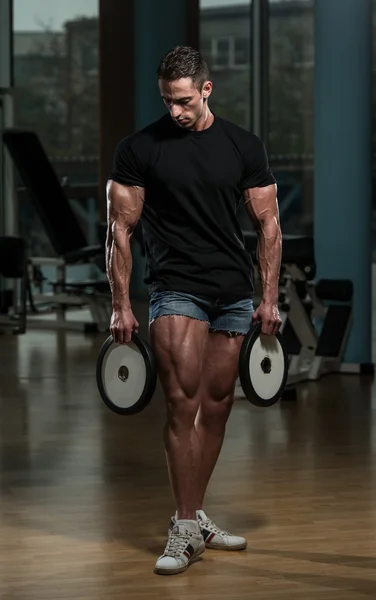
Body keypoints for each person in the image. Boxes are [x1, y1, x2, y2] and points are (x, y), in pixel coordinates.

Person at [105, 45, 282, 576]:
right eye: (167, 101)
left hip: (232, 290)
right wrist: (120, 305)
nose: (175, 111)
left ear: (206, 90)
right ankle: (183, 527)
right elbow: (120, 230)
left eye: (183, 101)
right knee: (182, 403)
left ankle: (196, 517)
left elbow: (269, 225)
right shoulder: (140, 149)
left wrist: (269, 297)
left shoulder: (242, 146)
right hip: (176, 287)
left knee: (219, 402)